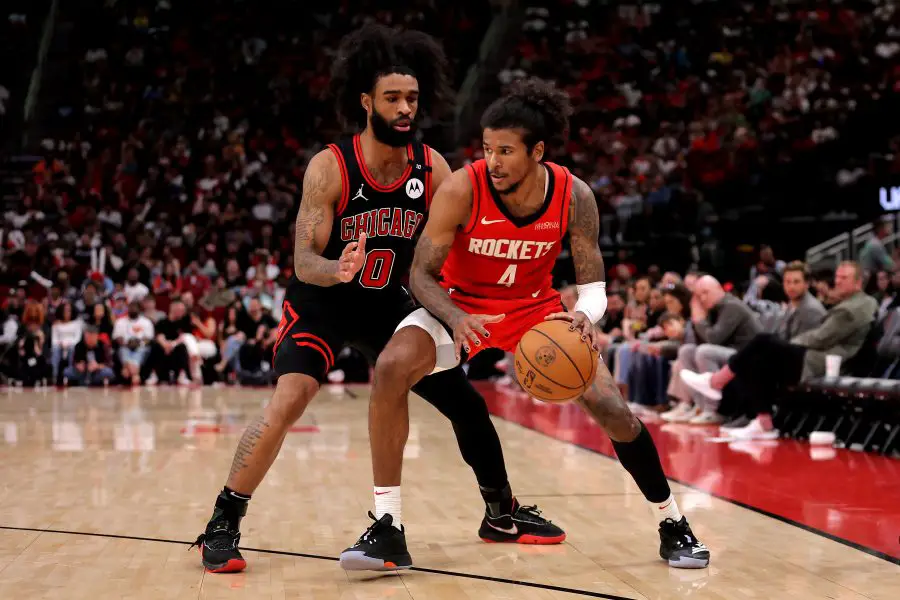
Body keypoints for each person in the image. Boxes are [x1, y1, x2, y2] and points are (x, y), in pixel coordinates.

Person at [192, 24, 562, 575]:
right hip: (325, 302)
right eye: (392, 97)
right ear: (367, 102)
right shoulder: (331, 166)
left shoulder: (433, 167)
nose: (405, 107)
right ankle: (223, 521)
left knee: (466, 404)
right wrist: (336, 266)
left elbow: (456, 241)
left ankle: (501, 510)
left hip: (391, 305)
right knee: (290, 398)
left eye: (412, 97)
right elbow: (302, 261)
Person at [345, 78, 709, 570]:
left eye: (506, 151)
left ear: (537, 152)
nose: (492, 161)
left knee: (612, 408)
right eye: (488, 148)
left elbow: (593, 281)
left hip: (535, 310)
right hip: (460, 305)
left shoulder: (574, 195)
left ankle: (673, 523)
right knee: (390, 367)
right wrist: (456, 317)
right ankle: (388, 527)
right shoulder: (462, 188)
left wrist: (585, 314)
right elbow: (421, 275)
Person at [681, 261, 877, 440]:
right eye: (837, 277)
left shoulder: (851, 309)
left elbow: (821, 337)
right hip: (820, 357)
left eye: (844, 278)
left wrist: (786, 345)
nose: (837, 281)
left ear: (858, 282)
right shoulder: (853, 304)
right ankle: (762, 421)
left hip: (822, 361)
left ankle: (716, 382)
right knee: (759, 354)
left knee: (764, 342)